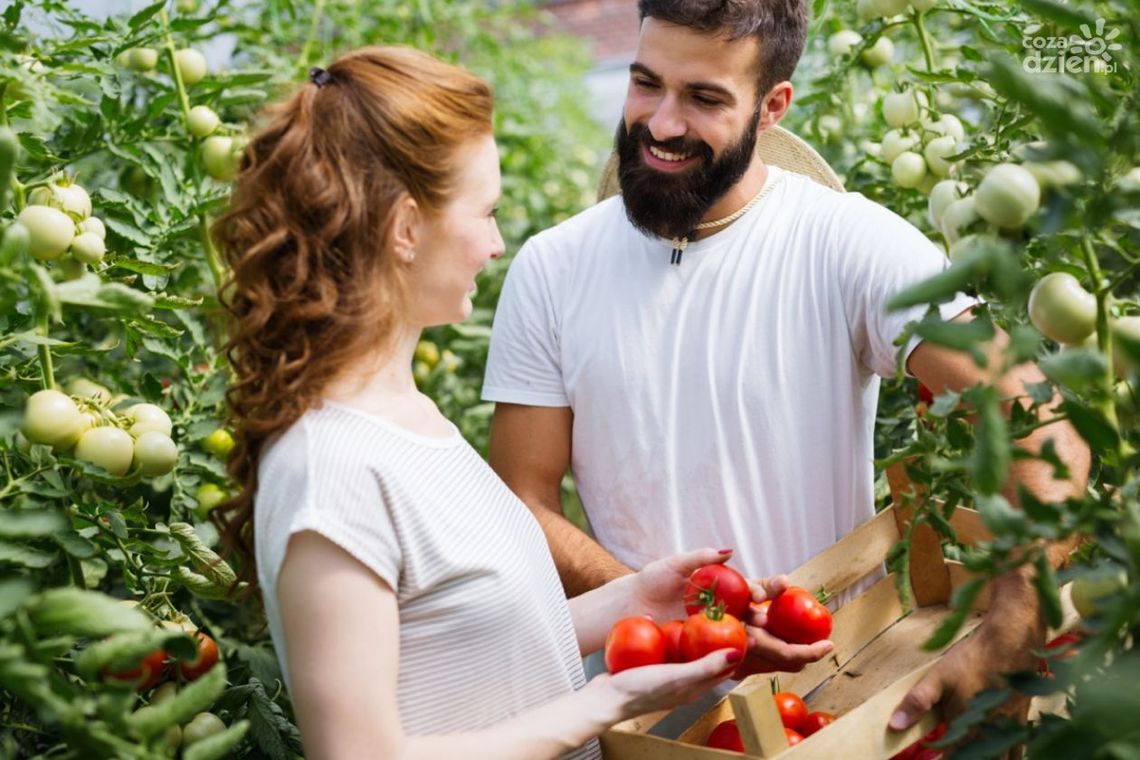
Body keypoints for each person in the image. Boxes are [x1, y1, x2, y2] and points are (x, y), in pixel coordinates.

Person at [482, 0, 1090, 737]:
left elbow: (1037, 424)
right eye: (647, 84)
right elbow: (524, 499)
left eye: (705, 98)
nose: (663, 123)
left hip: (833, 704)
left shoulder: (848, 244)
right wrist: (660, 608)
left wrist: (1009, 637)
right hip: (644, 716)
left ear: (773, 107)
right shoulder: (552, 269)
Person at [211, 46, 754, 760]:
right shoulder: (331, 470)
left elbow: (469, 643)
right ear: (406, 228)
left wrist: (632, 603)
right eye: (486, 211)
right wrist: (602, 702)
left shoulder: (408, 416)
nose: (498, 243)